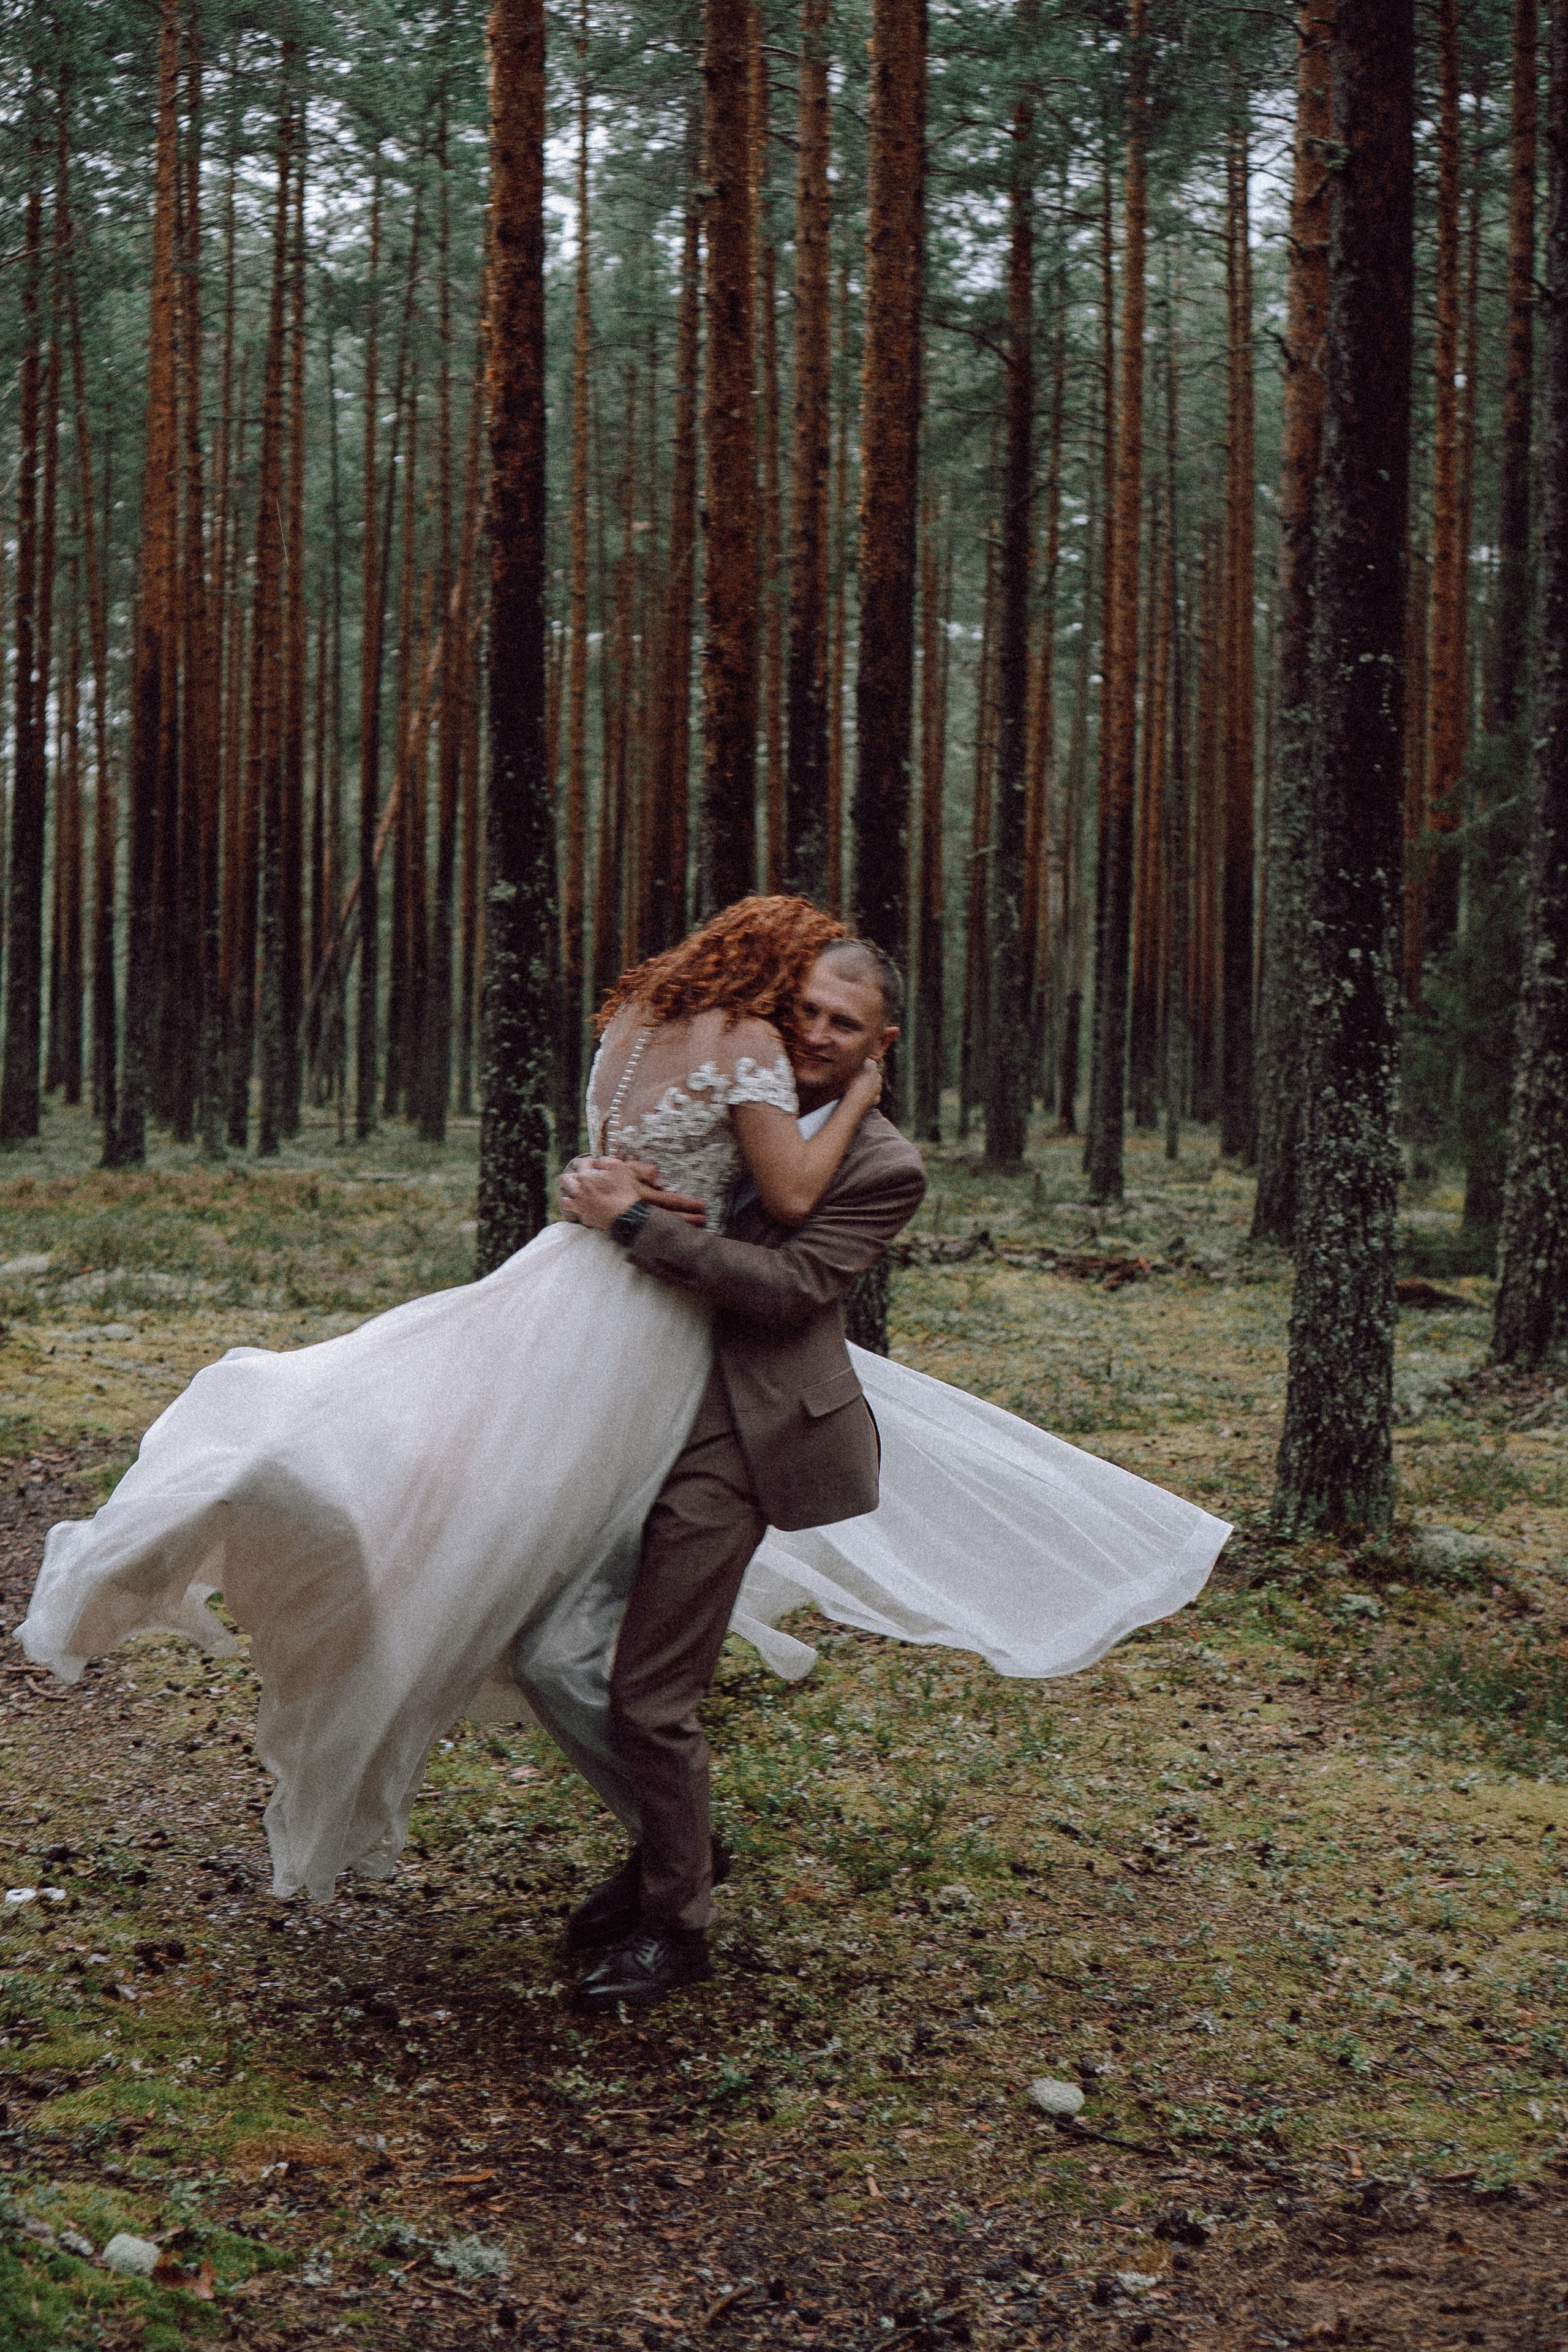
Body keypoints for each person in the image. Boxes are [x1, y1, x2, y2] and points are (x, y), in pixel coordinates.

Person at [15, 899, 902, 1902]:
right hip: (638, 1323)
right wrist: (860, 1094)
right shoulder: (747, 1043)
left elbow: (744, 1219)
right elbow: (781, 1197)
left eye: (840, 1026)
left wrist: (617, 1198)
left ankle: (667, 1849)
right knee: (513, 1564)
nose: (810, 1033)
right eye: (804, 1007)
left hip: (579, 1289)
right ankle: (667, 1836)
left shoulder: (638, 1022)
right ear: (777, 983)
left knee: (495, 1520)